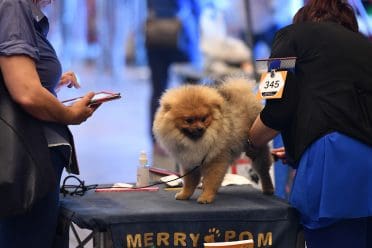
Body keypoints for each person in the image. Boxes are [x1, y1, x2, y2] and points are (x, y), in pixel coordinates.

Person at [247, 0, 372, 247]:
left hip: (332, 167)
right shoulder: (365, 46)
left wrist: (250, 141)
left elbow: (277, 110)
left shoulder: (288, 37)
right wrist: (298, 151)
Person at [0, 0, 99, 247]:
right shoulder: (13, 6)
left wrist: (49, 85)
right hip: (24, 157)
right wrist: (69, 115)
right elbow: (26, 93)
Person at [145, 0, 202, 156]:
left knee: (157, 90)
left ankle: (157, 142)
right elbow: (196, 8)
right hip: (181, 35)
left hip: (155, 36)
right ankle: (192, 138)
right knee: (191, 91)